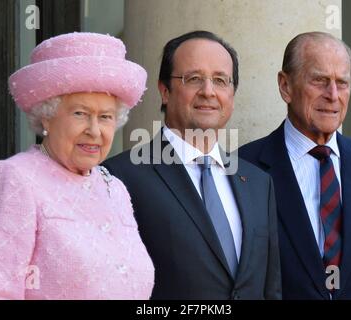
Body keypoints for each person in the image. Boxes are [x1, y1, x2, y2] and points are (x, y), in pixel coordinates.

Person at [0, 32, 154, 299]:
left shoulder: (115, 189)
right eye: (80, 114)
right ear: (47, 117)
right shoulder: (14, 180)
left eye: (106, 117)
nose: (95, 131)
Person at [104, 30, 281, 300]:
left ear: (232, 94)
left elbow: (270, 289)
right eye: (194, 79)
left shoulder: (258, 182)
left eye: (221, 80)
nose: (208, 91)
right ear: (165, 91)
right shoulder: (119, 177)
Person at [239, 31, 351, 299]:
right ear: (285, 86)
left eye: (342, 83)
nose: (333, 95)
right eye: (319, 80)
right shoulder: (242, 169)